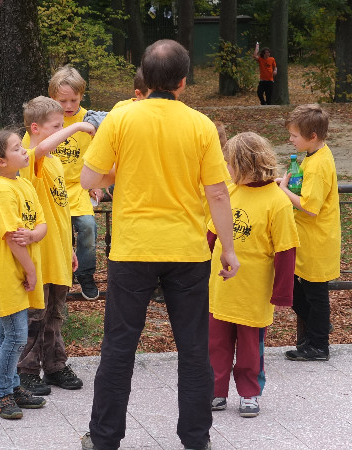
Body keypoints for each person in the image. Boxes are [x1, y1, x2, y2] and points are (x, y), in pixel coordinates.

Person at [79, 40, 240, 450]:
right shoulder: (201, 125)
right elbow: (218, 193)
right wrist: (228, 248)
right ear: (183, 82)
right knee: (193, 349)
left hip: (133, 249)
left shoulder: (120, 117)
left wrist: (123, 173)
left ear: (145, 79)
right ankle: (196, 439)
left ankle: (104, 438)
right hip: (187, 251)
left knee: (118, 347)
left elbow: (88, 179)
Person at [208, 132, 299, 418]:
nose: (226, 169)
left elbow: (286, 250)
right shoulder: (229, 191)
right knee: (216, 345)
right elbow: (211, 234)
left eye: (229, 163)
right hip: (220, 288)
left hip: (254, 292)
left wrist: (282, 293)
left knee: (250, 349)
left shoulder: (277, 201)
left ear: (244, 164)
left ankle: (249, 393)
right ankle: (215, 390)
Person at [17, 96, 96, 396]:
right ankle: (26, 370)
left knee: (55, 314)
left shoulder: (55, 163)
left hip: (59, 252)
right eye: (56, 127)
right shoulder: (29, 157)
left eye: (63, 125)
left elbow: (60, 211)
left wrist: (70, 248)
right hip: (40, 255)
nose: (62, 132)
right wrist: (77, 126)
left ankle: (54, 365)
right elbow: (41, 148)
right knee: (35, 315)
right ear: (35, 128)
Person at [0, 130, 48, 420]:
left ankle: (12, 387)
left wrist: (33, 235)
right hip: (7, 270)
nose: (24, 150)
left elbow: (41, 224)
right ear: (1, 161)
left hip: (23, 267)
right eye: (17, 148)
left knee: (8, 333)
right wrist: (30, 270)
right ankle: (1, 394)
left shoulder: (23, 184)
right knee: (16, 336)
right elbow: (12, 238)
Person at [22, 66, 106, 301]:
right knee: (54, 234)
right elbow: (30, 153)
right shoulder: (44, 119)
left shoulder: (89, 120)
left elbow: (99, 154)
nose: (69, 106)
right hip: (48, 189)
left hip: (78, 187)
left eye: (74, 100)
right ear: (52, 98)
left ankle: (85, 273)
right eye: (63, 101)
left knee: (88, 226)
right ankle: (54, 277)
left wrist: (97, 183)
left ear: (81, 96)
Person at [277, 104, 340, 361]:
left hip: (316, 240)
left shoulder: (317, 165)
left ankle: (319, 345)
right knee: (289, 281)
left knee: (315, 294)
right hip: (308, 237)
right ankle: (317, 328)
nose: (290, 139)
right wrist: (285, 183)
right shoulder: (314, 155)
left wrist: (283, 191)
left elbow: (310, 207)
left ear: (312, 136)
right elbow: (304, 187)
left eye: (294, 135)